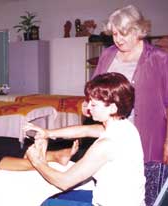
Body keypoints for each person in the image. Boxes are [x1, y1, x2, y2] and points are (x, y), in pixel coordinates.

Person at [84, 5, 168, 206]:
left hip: (148, 142)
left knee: (150, 199)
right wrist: (88, 104)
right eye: (115, 33)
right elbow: (96, 89)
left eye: (124, 33)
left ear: (138, 30)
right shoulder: (108, 55)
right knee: (115, 196)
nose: (118, 39)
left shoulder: (159, 58)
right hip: (113, 140)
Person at [24, 72, 145, 206]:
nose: (87, 108)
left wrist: (37, 162)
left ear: (112, 108)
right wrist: (47, 132)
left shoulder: (106, 145)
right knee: (55, 198)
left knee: (47, 203)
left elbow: (64, 182)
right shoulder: (125, 127)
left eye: (93, 105)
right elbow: (85, 130)